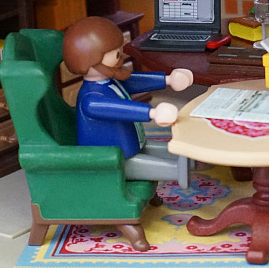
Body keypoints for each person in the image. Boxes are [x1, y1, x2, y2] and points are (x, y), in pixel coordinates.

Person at [62, 16, 193, 188]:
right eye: (116, 54)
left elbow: (134, 80)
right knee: (154, 166)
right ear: (90, 60)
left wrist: (167, 80)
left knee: (161, 149)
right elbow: (120, 108)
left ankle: (187, 158)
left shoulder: (108, 81)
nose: (120, 58)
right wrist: (152, 112)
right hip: (110, 157)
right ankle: (177, 171)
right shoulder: (91, 100)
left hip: (129, 144)